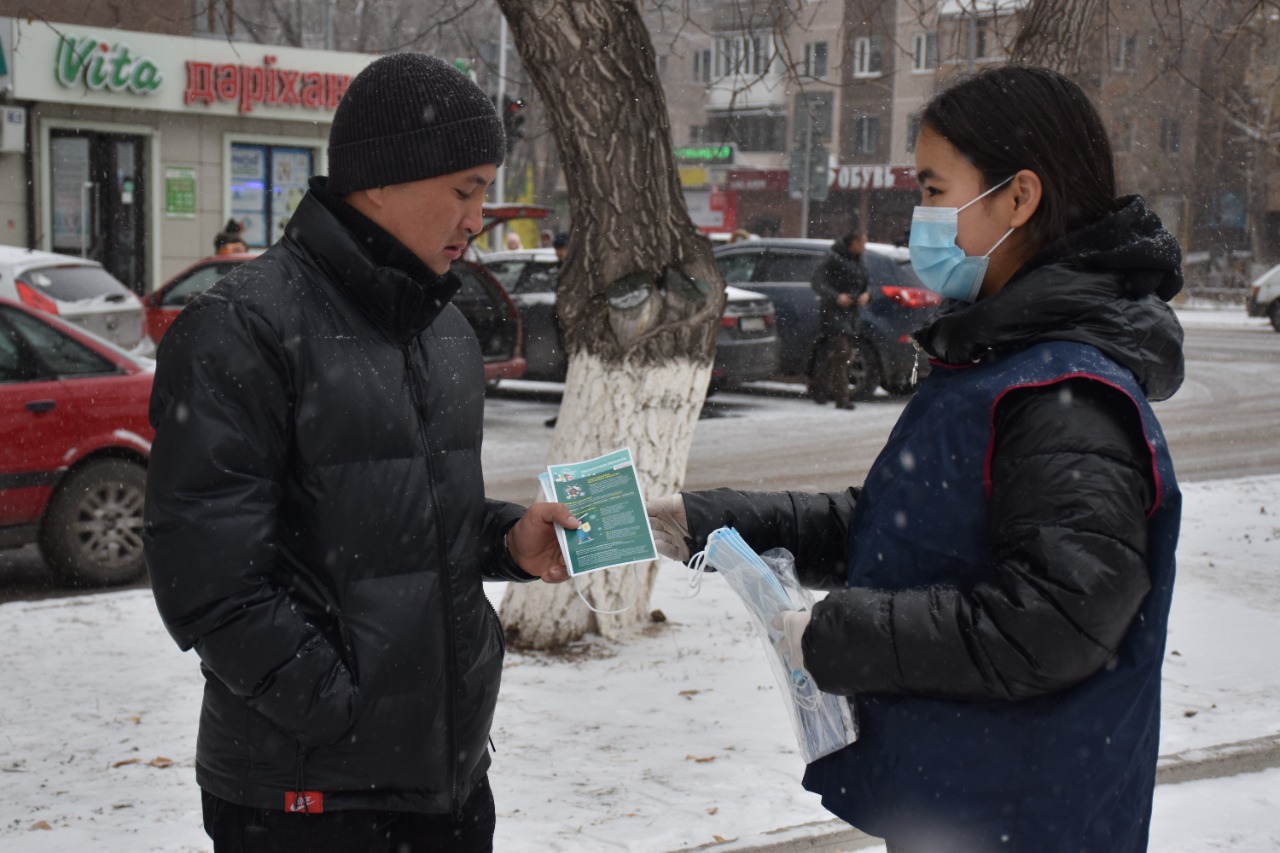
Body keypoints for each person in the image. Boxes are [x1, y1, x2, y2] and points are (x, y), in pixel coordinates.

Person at [648, 65, 1184, 852]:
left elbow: (1058, 618)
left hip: (1026, 816)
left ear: (1018, 197)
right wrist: (711, 522)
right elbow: (904, 524)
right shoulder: (1006, 358)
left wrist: (843, 635)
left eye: (934, 190)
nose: (919, 216)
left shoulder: (1063, 392)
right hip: (976, 803)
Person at [144, 52, 578, 853]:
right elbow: (206, 578)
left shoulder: (444, 330)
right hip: (306, 801)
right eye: (464, 189)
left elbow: (407, 515)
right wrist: (341, 706)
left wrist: (506, 540)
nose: (478, 218)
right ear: (380, 180)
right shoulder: (243, 327)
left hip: (448, 783)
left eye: (484, 191)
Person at [807, 231, 870, 410]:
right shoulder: (832, 258)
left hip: (852, 312)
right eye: (862, 243)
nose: (864, 247)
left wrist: (866, 295)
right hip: (833, 312)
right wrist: (836, 297)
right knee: (842, 352)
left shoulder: (860, 260)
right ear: (853, 243)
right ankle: (842, 398)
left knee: (842, 354)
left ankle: (817, 384)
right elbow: (817, 283)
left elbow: (865, 283)